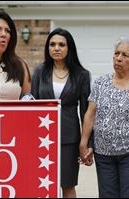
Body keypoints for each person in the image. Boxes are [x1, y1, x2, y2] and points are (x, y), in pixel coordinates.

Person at [79, 37, 129, 198]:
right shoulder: (101, 83)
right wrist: (84, 142)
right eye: (116, 53)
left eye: (125, 55)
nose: (118, 58)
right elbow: (90, 113)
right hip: (103, 154)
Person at [31, 28, 92, 198]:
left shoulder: (82, 75)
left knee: (68, 185)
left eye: (61, 45)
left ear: (69, 48)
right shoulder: (39, 72)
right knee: (41, 185)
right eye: (52, 44)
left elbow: (86, 112)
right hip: (41, 137)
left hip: (69, 139)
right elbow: (32, 106)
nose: (56, 48)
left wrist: (86, 143)